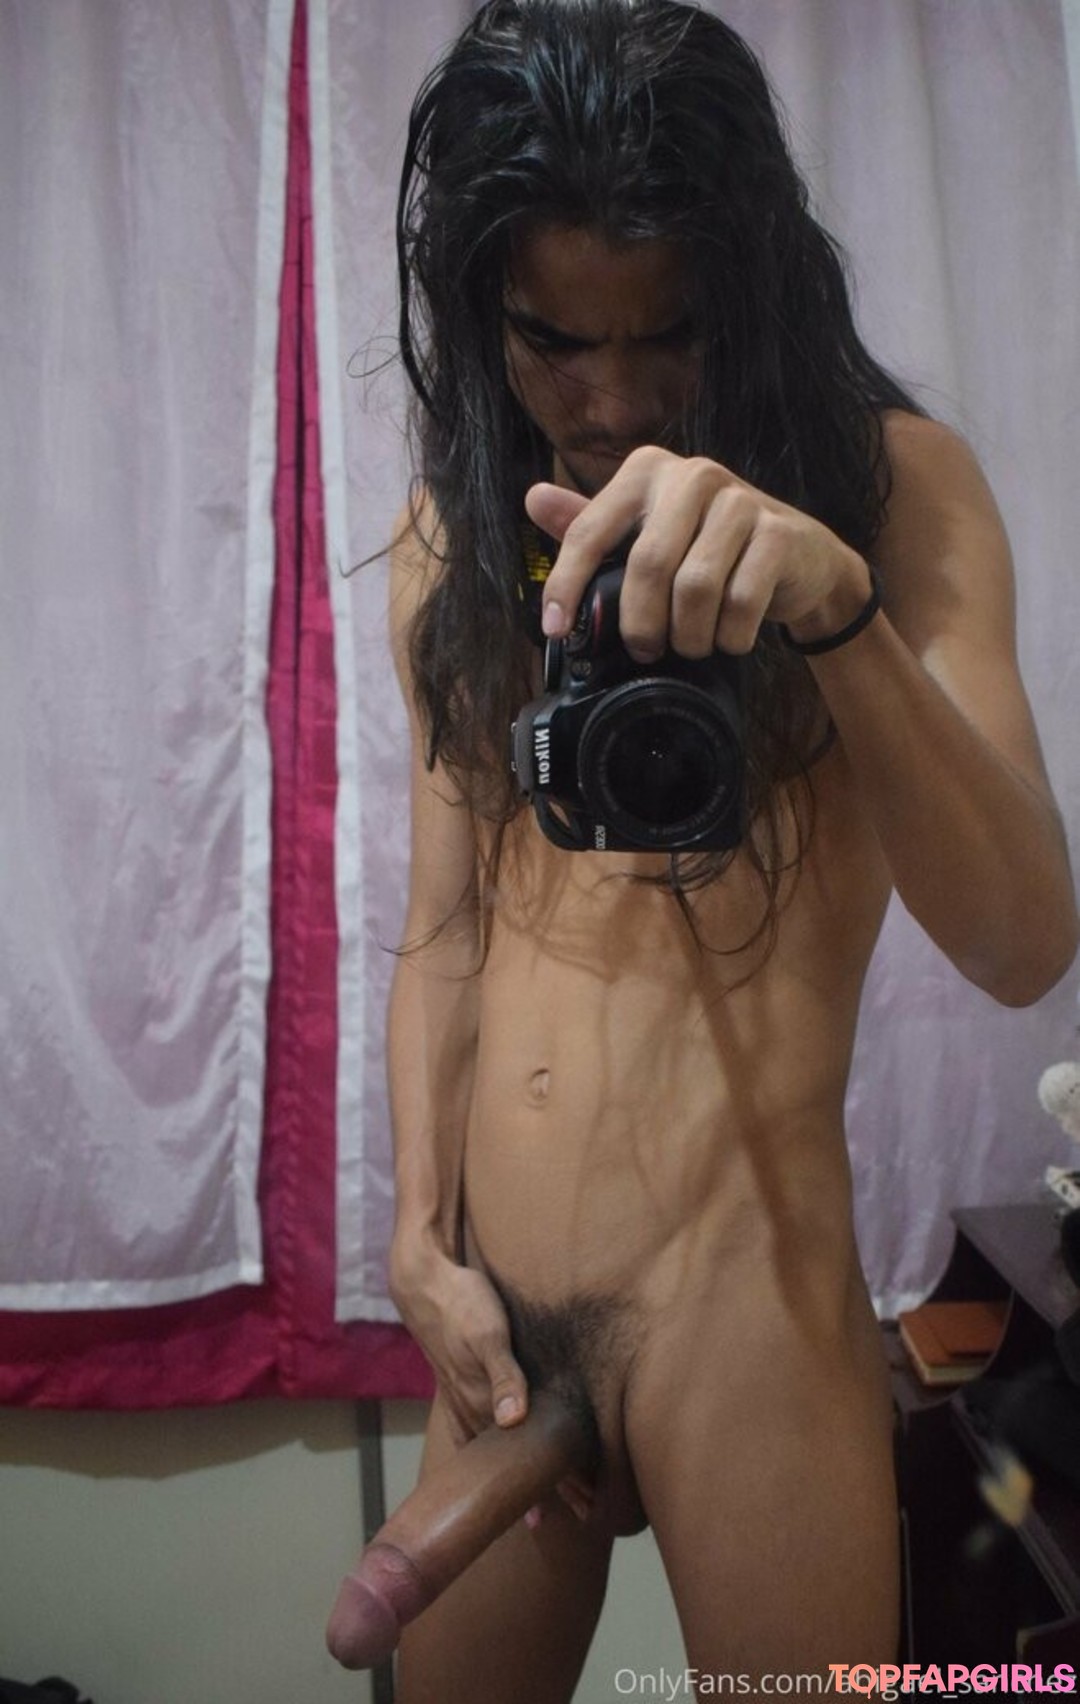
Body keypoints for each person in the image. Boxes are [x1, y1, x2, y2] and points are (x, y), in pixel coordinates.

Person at [378, 1, 1079, 1696]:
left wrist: (837, 611)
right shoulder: (456, 529)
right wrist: (414, 1236)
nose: (613, 399)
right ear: (480, 308)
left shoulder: (895, 492)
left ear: (748, 291)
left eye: (669, 334)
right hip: (498, 1313)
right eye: (554, 341)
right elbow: (449, 930)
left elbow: (1022, 944)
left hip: (745, 1298)